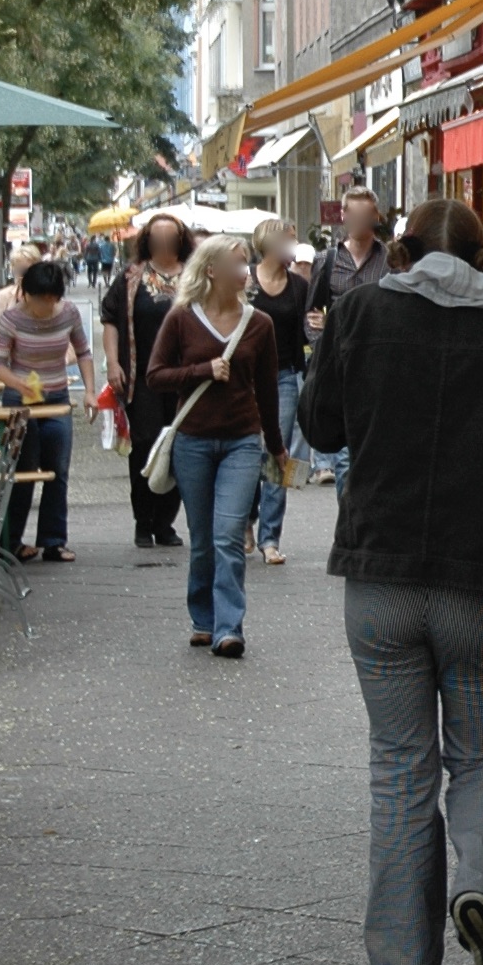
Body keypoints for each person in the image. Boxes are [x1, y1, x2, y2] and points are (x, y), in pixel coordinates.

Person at [297, 198, 483, 965]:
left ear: (404, 250)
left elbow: (319, 427)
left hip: (382, 579)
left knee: (400, 768)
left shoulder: (358, 314)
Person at [145, 234, 284, 657]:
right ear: (211, 270)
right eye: (238, 263)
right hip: (194, 441)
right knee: (203, 538)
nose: (246, 270)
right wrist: (202, 370)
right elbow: (155, 375)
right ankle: (203, 618)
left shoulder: (260, 324)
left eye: (248, 262)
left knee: (227, 534)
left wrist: (275, 447)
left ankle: (229, 628)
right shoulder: (182, 318)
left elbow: (268, 389)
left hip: (243, 441)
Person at [0, 259, 91, 564]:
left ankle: (53, 541)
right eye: (40, 299)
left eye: (52, 299)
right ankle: (13, 541)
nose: (46, 306)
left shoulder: (69, 313)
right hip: (20, 402)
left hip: (56, 396)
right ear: (26, 293)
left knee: (57, 470)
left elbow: (83, 351)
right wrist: (19, 385)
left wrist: (90, 392)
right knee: (23, 472)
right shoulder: (11, 319)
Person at [101, 215, 196, 549]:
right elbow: (110, 319)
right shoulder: (131, 278)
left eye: (171, 238)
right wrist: (113, 363)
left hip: (186, 378)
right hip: (142, 378)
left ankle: (166, 522)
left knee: (180, 449)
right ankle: (143, 521)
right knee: (143, 448)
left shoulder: (196, 275)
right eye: (158, 239)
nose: (164, 244)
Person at [305, 188, 397, 489]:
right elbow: (312, 315)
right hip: (341, 363)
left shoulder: (389, 260)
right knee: (345, 456)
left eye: (365, 216)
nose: (358, 222)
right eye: (353, 215)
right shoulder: (327, 259)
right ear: (343, 216)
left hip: (378, 364)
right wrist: (323, 349)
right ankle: (350, 524)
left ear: (375, 217)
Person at [246, 218, 313, 567]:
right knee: (246, 452)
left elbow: (306, 330)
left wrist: (317, 329)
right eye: (289, 240)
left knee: (277, 455)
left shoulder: (298, 286)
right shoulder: (246, 283)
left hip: (284, 376)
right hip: (245, 378)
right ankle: (245, 519)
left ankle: (269, 537)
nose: (293, 246)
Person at [0, 242, 43, 320]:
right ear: (13, 269)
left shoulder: (47, 296)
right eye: (20, 270)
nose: (25, 275)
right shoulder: (4, 295)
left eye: (30, 270)